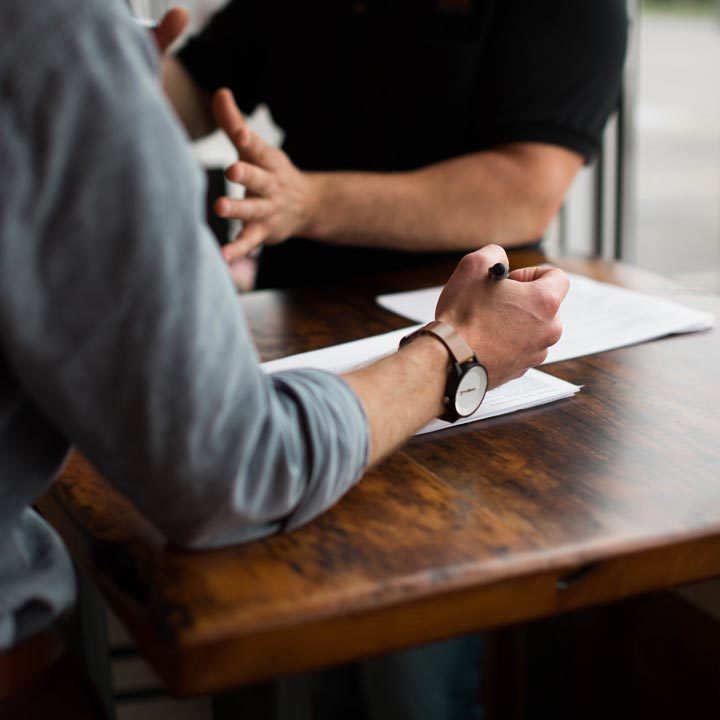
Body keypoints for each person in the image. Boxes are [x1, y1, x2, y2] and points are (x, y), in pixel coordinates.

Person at [0, 1, 569, 717]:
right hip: (320, 366)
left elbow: (527, 190)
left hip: (452, 407)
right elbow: (230, 468)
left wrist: (112, 94)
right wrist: (459, 351)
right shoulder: (55, 31)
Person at [162, 0, 628, 288]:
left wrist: (307, 202)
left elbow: (524, 191)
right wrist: (113, 77)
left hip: (463, 316)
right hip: (296, 300)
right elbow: (200, 87)